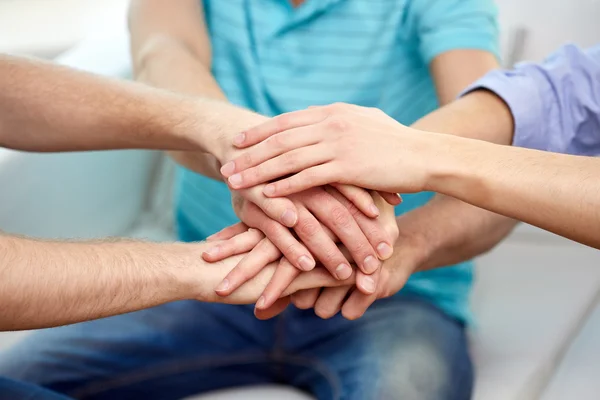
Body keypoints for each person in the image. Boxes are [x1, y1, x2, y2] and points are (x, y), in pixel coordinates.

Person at [0, 1, 516, 399]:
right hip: (215, 283)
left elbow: (490, 155)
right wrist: (252, 162)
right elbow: (164, 56)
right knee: (17, 377)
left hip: (386, 295)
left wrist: (396, 251)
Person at [0, 54, 354, 399]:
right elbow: (164, 50)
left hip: (372, 303)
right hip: (214, 295)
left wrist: (233, 137)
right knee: (22, 369)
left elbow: (9, 92)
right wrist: (206, 266)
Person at [220, 44, 600, 250]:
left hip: (402, 294)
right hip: (239, 264)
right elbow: (559, 93)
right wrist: (377, 163)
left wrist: (418, 153)